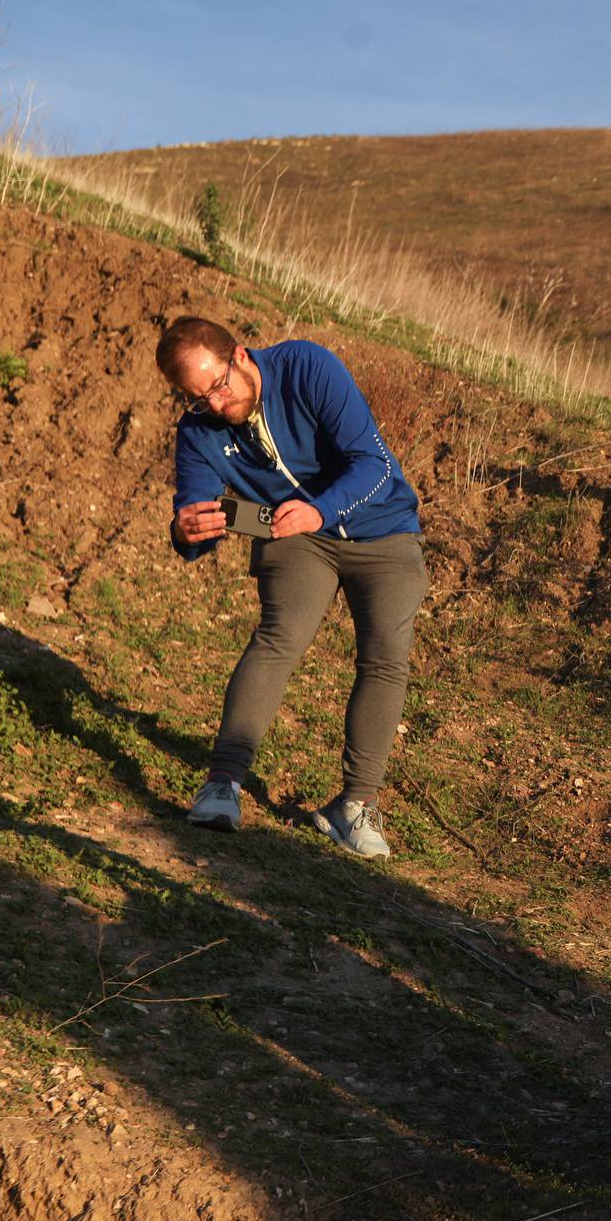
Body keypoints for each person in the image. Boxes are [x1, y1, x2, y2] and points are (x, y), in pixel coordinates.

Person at [160, 317, 426, 859]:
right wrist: (185, 531)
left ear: (238, 355)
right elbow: (199, 514)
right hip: (289, 533)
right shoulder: (197, 429)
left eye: (217, 386)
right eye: (195, 397)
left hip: (382, 527)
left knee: (385, 656)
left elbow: (372, 464)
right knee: (281, 634)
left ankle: (355, 806)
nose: (213, 404)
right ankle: (222, 784)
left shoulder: (307, 367)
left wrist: (320, 510)